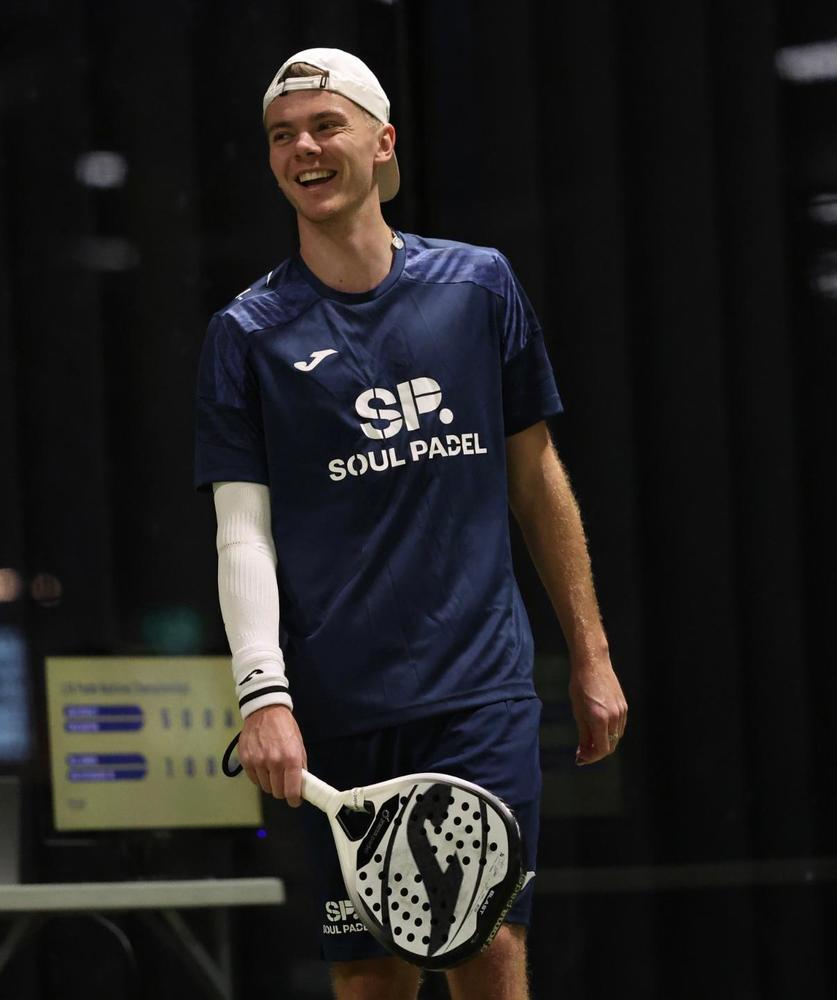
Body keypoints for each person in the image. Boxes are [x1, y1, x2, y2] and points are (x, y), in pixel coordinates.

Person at [194, 46, 627, 1000]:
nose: (303, 148)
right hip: (337, 706)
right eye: (281, 135)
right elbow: (241, 531)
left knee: (488, 949)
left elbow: (535, 477)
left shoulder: (478, 287)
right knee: (369, 981)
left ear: (381, 143)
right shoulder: (246, 333)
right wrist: (263, 695)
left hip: (477, 692)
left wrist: (589, 653)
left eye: (325, 126)